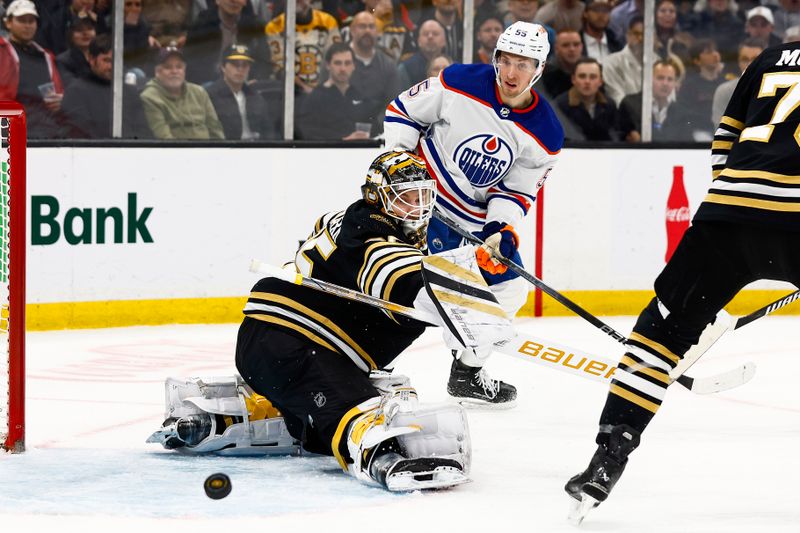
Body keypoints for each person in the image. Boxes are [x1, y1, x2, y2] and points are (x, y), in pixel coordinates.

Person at [565, 40, 800, 519]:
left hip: (728, 215)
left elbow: (727, 133)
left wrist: (723, 199)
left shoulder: (772, 56)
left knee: (660, 335)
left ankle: (609, 455)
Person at [233, 151, 481, 490]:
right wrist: (460, 298)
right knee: (365, 410)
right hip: (298, 343)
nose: (419, 205)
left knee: (395, 390)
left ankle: (262, 410)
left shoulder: (350, 220)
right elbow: (397, 275)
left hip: (276, 340)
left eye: (424, 194)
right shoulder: (375, 237)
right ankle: (383, 455)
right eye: (406, 197)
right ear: (376, 196)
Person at [384, 21, 564, 406]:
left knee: (508, 288)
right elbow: (403, 111)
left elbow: (515, 189)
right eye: (507, 61)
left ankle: (466, 371)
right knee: (405, 296)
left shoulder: (546, 133)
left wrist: (499, 230)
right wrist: (400, 166)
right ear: (496, 58)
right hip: (418, 204)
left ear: (540, 69)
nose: (512, 73)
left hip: (470, 223)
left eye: (524, 64)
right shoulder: (459, 82)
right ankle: (368, 362)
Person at [61, 34, 150, 138]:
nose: (112, 67)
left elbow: (143, 131)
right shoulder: (76, 92)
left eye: (117, 61)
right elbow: (80, 134)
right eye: (106, 60)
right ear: (91, 59)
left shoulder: (129, 92)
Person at [0, 0, 66, 139]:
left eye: (31, 21)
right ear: (8, 23)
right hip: (9, 129)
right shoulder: (2, 52)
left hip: (46, 130)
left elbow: (58, 91)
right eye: (22, 20)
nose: (27, 25)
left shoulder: (46, 56)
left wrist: (61, 101)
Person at [296, 42, 379, 140]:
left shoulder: (361, 98)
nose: (343, 69)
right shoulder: (315, 98)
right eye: (337, 63)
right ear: (328, 65)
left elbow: (376, 132)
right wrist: (343, 141)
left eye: (347, 63)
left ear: (354, 66)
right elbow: (308, 135)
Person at [140, 46, 225, 139]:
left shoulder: (199, 92)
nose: (174, 71)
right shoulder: (149, 97)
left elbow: (216, 129)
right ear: (157, 72)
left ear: (184, 70)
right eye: (168, 67)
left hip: (210, 151)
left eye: (179, 67)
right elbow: (164, 138)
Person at [265, 0, 340, 95]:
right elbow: (280, 67)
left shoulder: (328, 21)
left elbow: (337, 57)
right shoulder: (274, 27)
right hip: (291, 93)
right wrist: (305, 88)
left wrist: (324, 87)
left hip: (326, 89)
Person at [206, 44, 277, 140]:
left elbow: (268, 131)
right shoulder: (210, 95)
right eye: (235, 64)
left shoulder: (255, 96)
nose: (240, 69)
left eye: (245, 65)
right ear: (223, 67)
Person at [347, 11, 401, 135]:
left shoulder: (388, 65)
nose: (367, 31)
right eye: (362, 26)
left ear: (377, 32)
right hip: (341, 133)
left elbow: (393, 105)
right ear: (352, 30)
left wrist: (377, 130)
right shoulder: (338, 60)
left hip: (378, 135)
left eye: (371, 27)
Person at [618, 58, 693, 142]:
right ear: (649, 80)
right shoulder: (630, 105)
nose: (665, 83)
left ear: (675, 83)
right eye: (660, 78)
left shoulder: (682, 112)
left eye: (670, 79)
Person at [555, 57, 622, 141]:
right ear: (573, 79)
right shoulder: (560, 105)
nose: (587, 81)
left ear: (601, 81)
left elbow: (615, 136)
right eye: (582, 76)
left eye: (593, 77)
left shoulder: (609, 105)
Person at [710, 37, 765, 127]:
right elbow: (721, 131)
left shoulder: (781, 89)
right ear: (739, 62)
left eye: (755, 59)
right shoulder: (725, 91)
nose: (749, 64)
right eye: (745, 59)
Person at [677, 38, 725, 140]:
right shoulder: (689, 86)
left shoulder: (726, 83)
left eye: (715, 51)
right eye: (709, 52)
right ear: (697, 61)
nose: (715, 55)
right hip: (701, 132)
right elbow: (685, 113)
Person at [602, 15, 644, 104]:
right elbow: (617, 99)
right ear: (628, 35)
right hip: (625, 115)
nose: (640, 38)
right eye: (636, 33)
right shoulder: (610, 63)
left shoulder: (657, 62)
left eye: (644, 34)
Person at [397, 19, 447, 88]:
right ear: (419, 41)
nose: (430, 37)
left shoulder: (453, 66)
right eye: (425, 34)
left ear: (444, 40)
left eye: (435, 34)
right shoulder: (406, 69)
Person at [541, 29, 584, 99]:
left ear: (582, 47)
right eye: (565, 45)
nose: (572, 49)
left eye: (576, 44)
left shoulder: (590, 68)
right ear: (556, 49)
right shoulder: (545, 73)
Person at [56, 17, 96, 88]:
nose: (85, 33)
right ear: (71, 35)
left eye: (89, 29)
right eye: (79, 30)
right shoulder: (62, 60)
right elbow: (70, 84)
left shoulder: (102, 57)